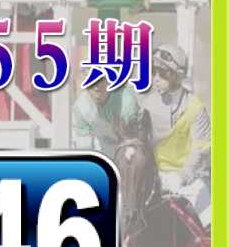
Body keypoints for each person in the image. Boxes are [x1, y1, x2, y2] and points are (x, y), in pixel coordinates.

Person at [141, 44, 211, 227]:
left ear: (176, 75)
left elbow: (201, 149)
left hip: (191, 182)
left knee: (212, 222)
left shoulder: (196, 107)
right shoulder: (147, 105)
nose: (156, 78)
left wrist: (182, 176)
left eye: (162, 73)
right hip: (155, 180)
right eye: (153, 71)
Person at [71, 81, 142, 158]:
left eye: (100, 80)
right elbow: (84, 148)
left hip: (129, 140)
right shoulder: (81, 107)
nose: (96, 87)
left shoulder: (126, 101)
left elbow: (133, 141)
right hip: (104, 142)